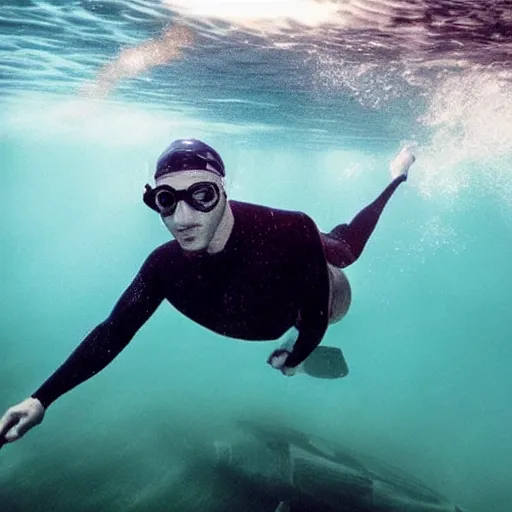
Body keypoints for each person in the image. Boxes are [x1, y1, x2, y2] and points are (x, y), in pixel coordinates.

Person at [0, 139, 415, 448]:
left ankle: (398, 173)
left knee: (344, 253)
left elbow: (317, 319)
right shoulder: (163, 266)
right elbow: (113, 332)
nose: (183, 217)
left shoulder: (290, 231)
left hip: (304, 300)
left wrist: (297, 358)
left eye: (201, 195)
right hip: (261, 314)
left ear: (222, 190)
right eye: (166, 200)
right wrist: (41, 399)